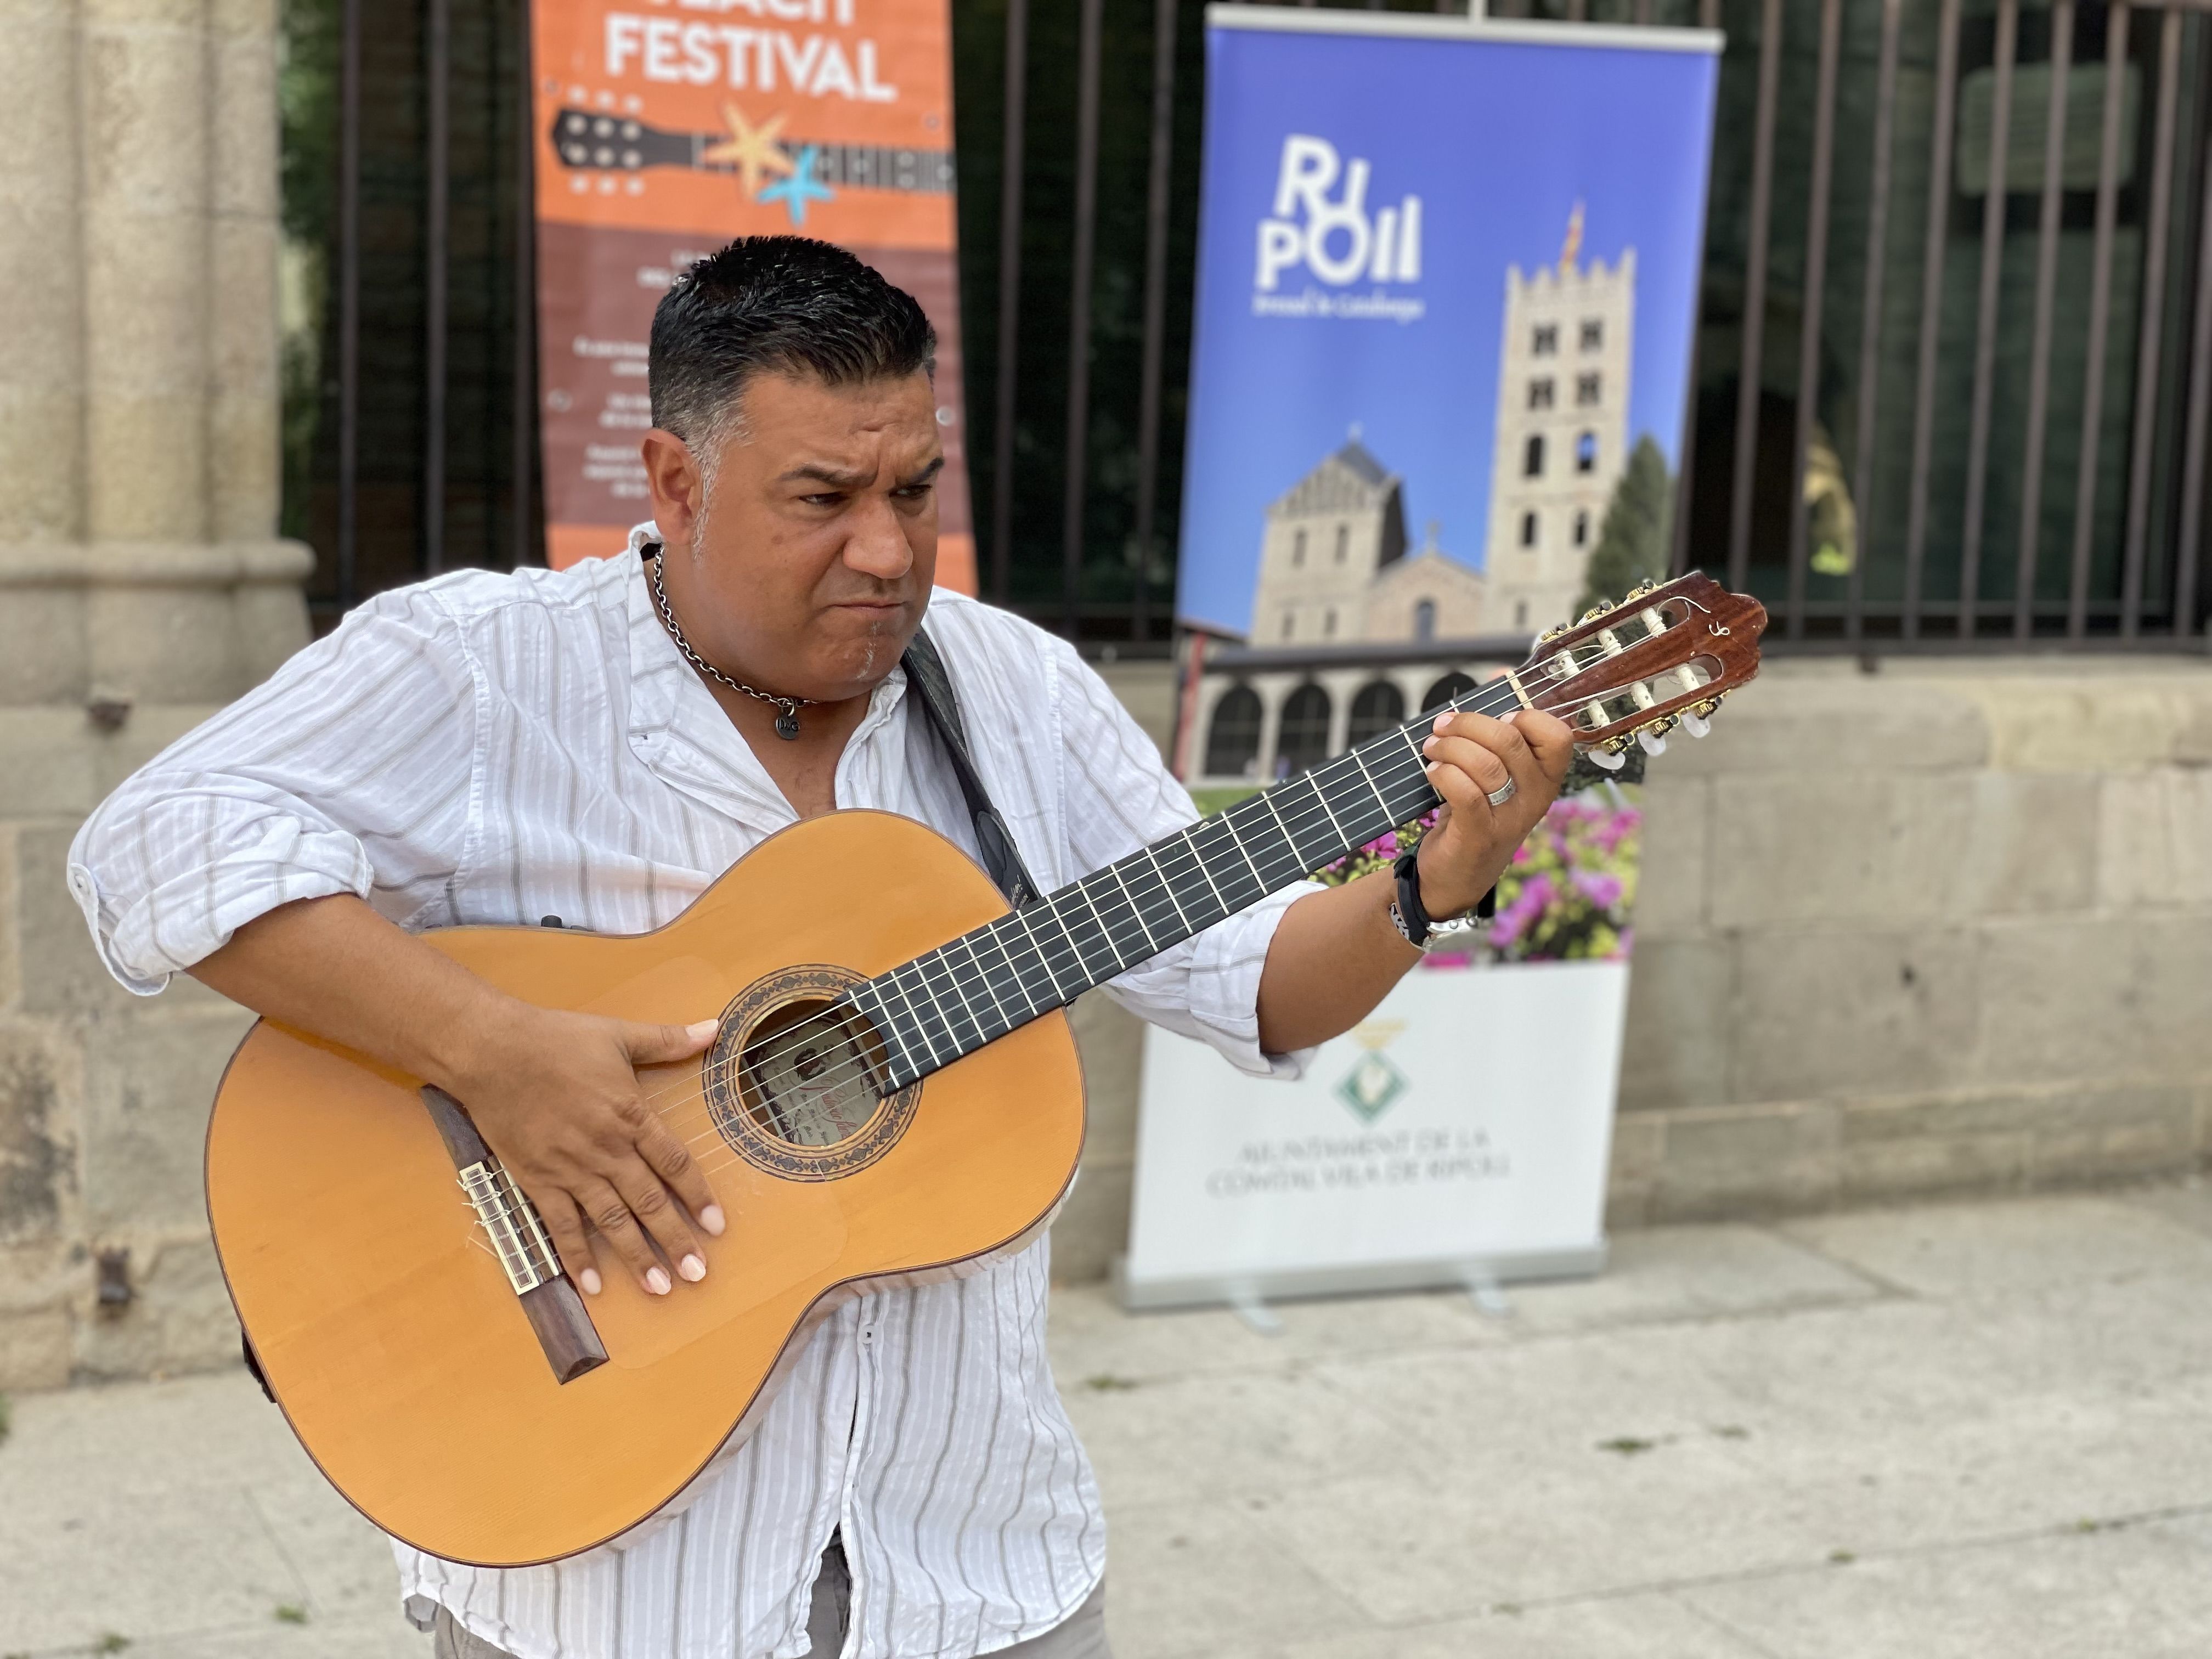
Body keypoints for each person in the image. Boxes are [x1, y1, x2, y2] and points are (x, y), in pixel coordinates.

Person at [67, 235, 1573, 1659]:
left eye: (918, 488)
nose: (887, 549)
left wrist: (1425, 893)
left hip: (979, 1576)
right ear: (675, 477)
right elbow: (152, 846)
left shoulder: (1015, 690)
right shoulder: (483, 666)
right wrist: (493, 1051)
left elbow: (1254, 981)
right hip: (612, 1589)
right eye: (823, 497)